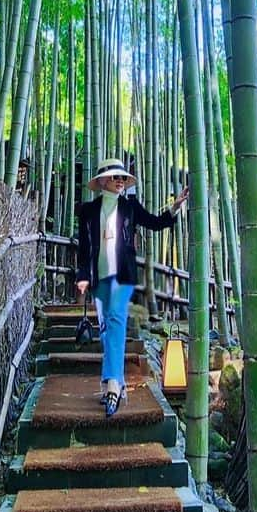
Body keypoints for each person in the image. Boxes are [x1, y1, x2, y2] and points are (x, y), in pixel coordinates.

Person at [76, 157, 189, 416]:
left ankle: (113, 385)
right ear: (103, 180)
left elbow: (155, 222)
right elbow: (83, 250)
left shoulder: (130, 207)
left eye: (123, 178)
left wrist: (174, 208)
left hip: (123, 275)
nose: (120, 182)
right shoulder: (88, 211)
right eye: (115, 177)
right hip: (99, 276)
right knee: (106, 328)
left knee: (115, 320)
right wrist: (82, 276)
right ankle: (112, 383)